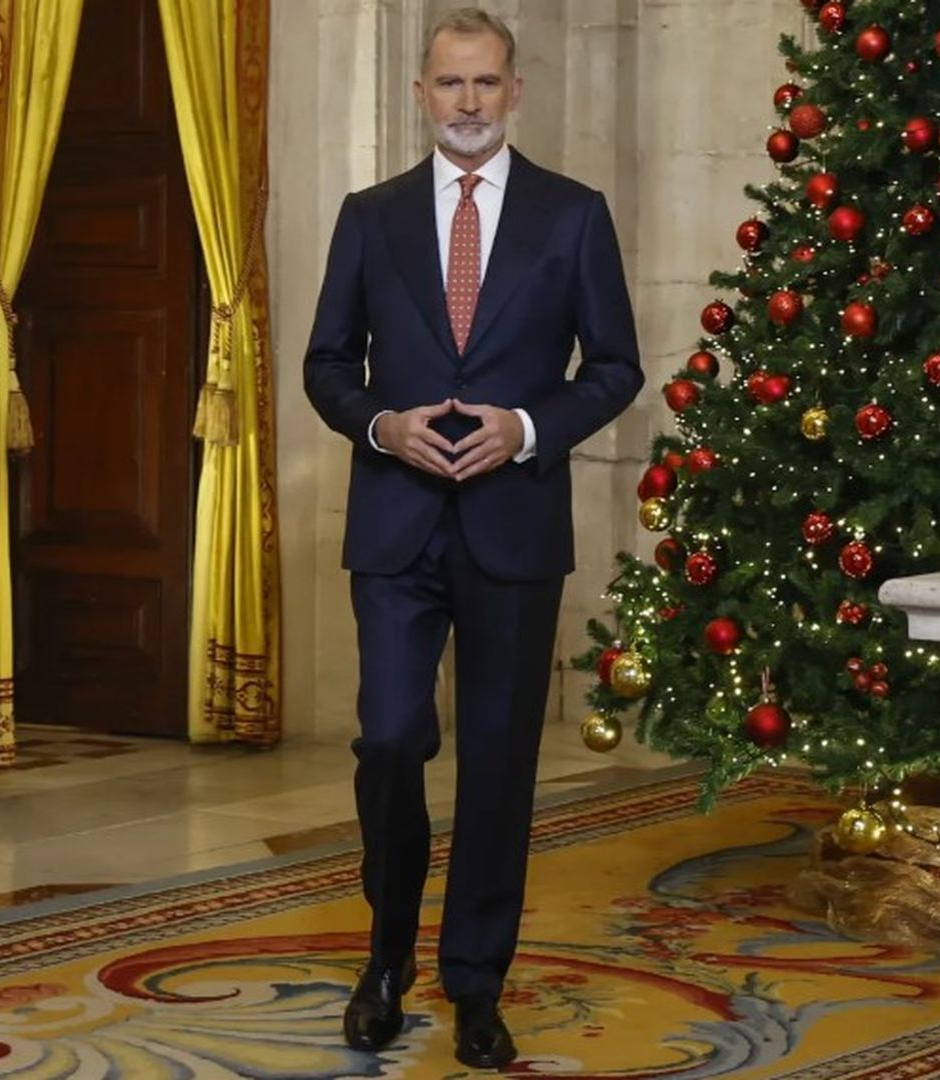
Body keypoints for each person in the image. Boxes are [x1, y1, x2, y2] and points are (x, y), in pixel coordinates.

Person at [302, 8, 643, 1068]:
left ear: (514, 90)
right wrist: (382, 424)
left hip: (514, 526)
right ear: (421, 94)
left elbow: (617, 367)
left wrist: (530, 428)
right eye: (449, 84)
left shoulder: (574, 215)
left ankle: (477, 984)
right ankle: (386, 959)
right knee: (392, 738)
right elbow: (326, 365)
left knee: (499, 765)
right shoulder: (370, 216)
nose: (467, 102)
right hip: (396, 528)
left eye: (485, 84)